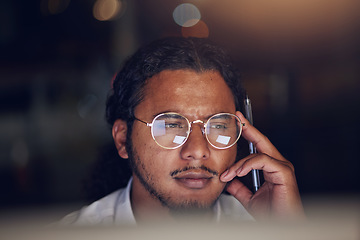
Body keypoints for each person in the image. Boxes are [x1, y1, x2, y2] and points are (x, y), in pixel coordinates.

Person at [62, 37, 304, 226]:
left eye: (218, 125)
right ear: (123, 139)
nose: (198, 150)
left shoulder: (264, 227)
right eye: (170, 124)